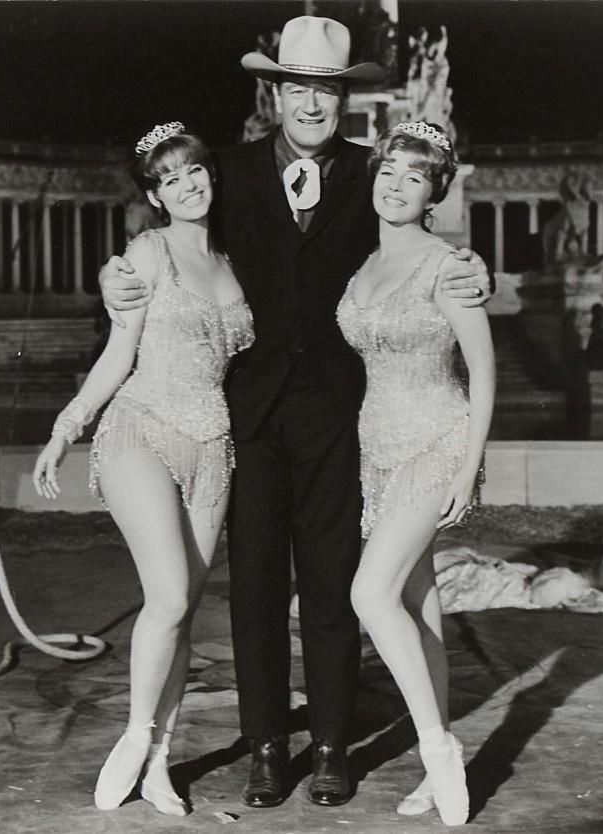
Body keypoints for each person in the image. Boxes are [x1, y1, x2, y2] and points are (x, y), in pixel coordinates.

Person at [98, 15, 494, 810]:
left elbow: (420, 246)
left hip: (342, 417)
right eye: (297, 88)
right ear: (272, 91)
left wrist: (472, 265)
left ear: (345, 99)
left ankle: (333, 748)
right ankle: (267, 745)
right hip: (245, 414)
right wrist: (114, 274)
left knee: (333, 582)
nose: (311, 104)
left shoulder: (372, 174)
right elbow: (170, 240)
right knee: (251, 590)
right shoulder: (230, 172)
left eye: (327, 90)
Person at [32, 124, 254, 814]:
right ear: (155, 196)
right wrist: (68, 424)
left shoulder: (238, 259)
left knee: (183, 612)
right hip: (141, 429)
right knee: (166, 595)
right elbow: (117, 354)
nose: (188, 185)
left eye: (195, 171)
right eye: (170, 178)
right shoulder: (145, 254)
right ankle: (133, 736)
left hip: (213, 445)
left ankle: (159, 760)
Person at [336, 121, 495, 826]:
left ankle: (437, 749)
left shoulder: (449, 267)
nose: (395, 187)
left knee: (370, 592)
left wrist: (469, 464)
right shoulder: (362, 267)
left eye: (414, 177)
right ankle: (438, 770)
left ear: (435, 191)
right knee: (418, 601)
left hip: (437, 437)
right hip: (378, 449)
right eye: (388, 172)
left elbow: (484, 373)